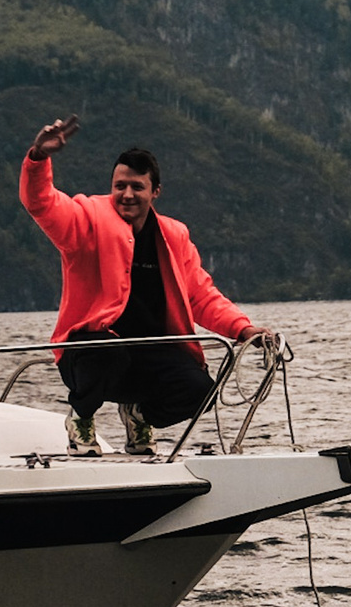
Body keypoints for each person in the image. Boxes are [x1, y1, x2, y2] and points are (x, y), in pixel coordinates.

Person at [20, 115, 270, 455]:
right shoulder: (86, 218)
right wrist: (38, 158)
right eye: (119, 186)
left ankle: (139, 415)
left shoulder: (174, 236)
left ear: (155, 192)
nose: (127, 194)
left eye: (137, 187)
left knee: (200, 390)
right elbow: (42, 204)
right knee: (107, 353)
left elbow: (201, 296)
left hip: (148, 358)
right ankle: (81, 418)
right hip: (90, 355)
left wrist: (244, 329)